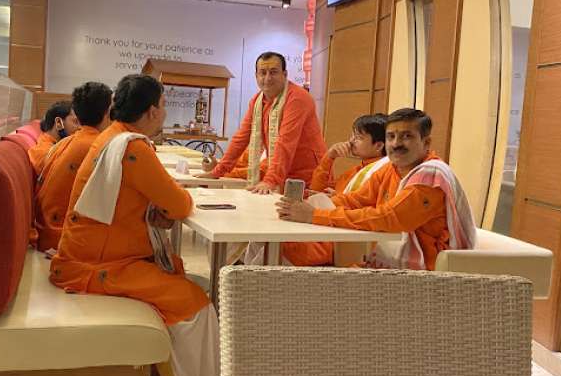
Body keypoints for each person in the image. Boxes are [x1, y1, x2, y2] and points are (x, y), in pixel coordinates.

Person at [51, 74, 219, 376]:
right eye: (164, 105)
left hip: (89, 255)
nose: (164, 113)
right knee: (196, 302)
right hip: (97, 266)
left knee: (177, 271)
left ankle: (167, 373)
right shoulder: (133, 148)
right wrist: (164, 207)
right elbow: (180, 204)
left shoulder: (111, 137)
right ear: (152, 111)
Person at [276, 108, 476, 271]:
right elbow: (356, 200)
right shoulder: (391, 167)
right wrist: (307, 207)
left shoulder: (431, 174)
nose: (396, 144)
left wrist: (315, 215)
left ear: (426, 142)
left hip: (426, 271)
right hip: (383, 255)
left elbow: (388, 218)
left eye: (406, 136)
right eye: (391, 136)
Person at [198, 51, 326, 194]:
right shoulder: (257, 101)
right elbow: (241, 138)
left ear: (284, 74)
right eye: (263, 73)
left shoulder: (298, 98)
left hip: (308, 177)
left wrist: (270, 180)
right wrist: (218, 171)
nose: (267, 78)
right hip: (280, 172)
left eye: (273, 72)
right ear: (256, 76)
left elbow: (285, 142)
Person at [282, 113, 389, 266]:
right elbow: (316, 190)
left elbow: (360, 209)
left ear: (378, 146)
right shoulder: (356, 171)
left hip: (339, 240)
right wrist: (329, 157)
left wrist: (332, 200)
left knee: (279, 242)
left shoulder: (380, 171)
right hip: (325, 228)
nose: (351, 141)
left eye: (358, 138)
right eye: (352, 135)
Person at [33, 82, 112, 252]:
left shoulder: (67, 141)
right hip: (61, 239)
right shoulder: (98, 146)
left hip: (46, 231)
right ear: (108, 113)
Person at [28, 101, 80, 174]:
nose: (80, 128)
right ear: (58, 123)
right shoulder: (43, 151)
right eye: (76, 122)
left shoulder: (58, 144)